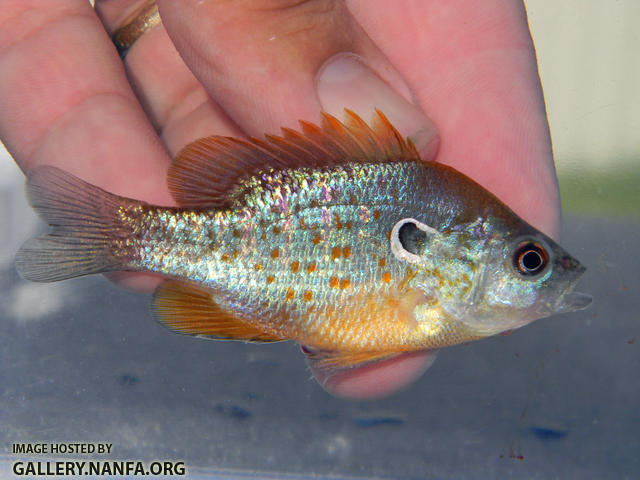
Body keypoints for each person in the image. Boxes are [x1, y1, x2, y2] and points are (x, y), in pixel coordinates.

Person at [0, 0, 560, 399]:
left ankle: (118, 237)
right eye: (527, 260)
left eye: (532, 262)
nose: (537, 274)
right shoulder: (439, 270)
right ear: (462, 245)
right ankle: (120, 235)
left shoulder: (442, 278)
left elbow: (361, 337)